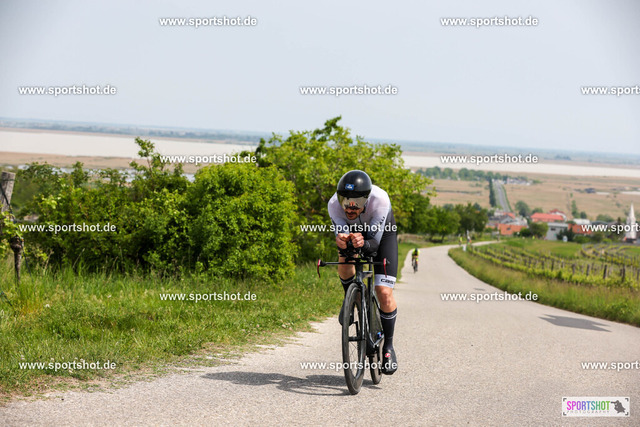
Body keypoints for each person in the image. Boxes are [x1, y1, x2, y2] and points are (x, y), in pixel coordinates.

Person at [328, 170, 398, 375]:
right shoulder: (333, 204)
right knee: (344, 255)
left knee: (384, 292)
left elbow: (374, 244)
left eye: (356, 203)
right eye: (345, 201)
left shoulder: (380, 200)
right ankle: (350, 299)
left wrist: (364, 243)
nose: (350, 207)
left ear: (366, 199)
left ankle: (388, 346)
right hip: (354, 233)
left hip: (381, 236)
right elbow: (342, 236)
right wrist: (343, 241)